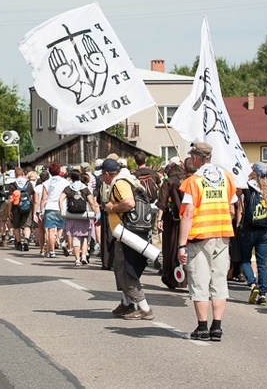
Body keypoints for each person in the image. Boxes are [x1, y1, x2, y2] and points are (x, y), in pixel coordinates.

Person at [178, 142, 238, 341]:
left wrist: (181, 244)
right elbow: (232, 209)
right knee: (219, 282)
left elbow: (187, 214)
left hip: (200, 236)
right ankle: (217, 327)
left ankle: (202, 327)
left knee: (200, 282)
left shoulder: (193, 181)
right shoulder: (227, 177)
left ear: (195, 158)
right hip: (222, 235)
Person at [100, 159, 154, 320]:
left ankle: (144, 308)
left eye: (102, 175)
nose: (102, 179)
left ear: (107, 174)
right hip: (130, 232)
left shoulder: (119, 183)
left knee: (126, 271)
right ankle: (127, 303)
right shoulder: (130, 180)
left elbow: (129, 203)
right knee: (119, 268)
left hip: (127, 232)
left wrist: (112, 208)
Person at [239, 162, 267, 307]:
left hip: (249, 229)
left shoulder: (248, 186)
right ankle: (263, 294)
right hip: (264, 230)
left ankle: (253, 285)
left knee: (245, 260)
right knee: (262, 262)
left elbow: (237, 199)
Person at [155, 157, 187, 289]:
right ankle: (185, 279)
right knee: (183, 247)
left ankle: (171, 277)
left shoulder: (168, 182)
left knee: (170, 248)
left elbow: (162, 203)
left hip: (171, 218)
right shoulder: (188, 181)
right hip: (187, 218)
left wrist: (159, 219)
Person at [58, 170, 98, 266]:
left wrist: (62, 210)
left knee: (75, 237)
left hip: (72, 216)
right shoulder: (85, 188)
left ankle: (77, 260)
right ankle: (83, 255)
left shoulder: (68, 188)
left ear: (71, 178)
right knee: (84, 237)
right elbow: (91, 202)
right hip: (84, 215)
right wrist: (95, 213)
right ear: (80, 177)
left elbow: (60, 199)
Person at [38, 163, 69, 258]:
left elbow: (43, 198)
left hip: (49, 207)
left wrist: (41, 210)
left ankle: (52, 251)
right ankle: (58, 240)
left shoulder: (46, 183)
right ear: (59, 171)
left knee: (50, 231)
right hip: (61, 207)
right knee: (60, 228)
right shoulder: (65, 182)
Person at [7, 167, 35, 252]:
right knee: (27, 225)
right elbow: (32, 197)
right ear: (23, 174)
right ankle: (26, 239)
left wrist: (9, 210)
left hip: (16, 208)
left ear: (15, 175)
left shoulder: (13, 184)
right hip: (27, 207)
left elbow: (10, 199)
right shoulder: (28, 184)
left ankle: (18, 243)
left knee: (17, 226)